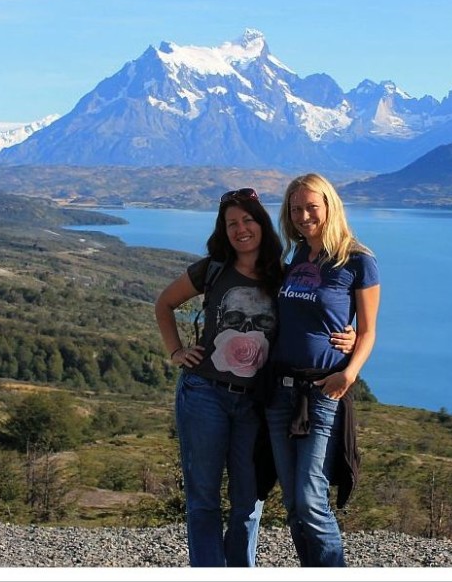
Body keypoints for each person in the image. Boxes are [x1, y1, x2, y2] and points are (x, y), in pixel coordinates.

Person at [154, 188, 355, 567]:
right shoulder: (212, 268)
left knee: (249, 501)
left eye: (247, 220)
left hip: (255, 403)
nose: (240, 229)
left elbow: (312, 315)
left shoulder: (284, 274)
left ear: (262, 224)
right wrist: (177, 351)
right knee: (204, 500)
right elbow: (164, 303)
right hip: (204, 395)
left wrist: (353, 334)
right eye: (231, 223)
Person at [264, 173, 381, 567]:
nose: (303, 216)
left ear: (330, 206)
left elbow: (367, 332)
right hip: (280, 391)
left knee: (311, 499)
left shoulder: (358, 261)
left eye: (311, 207)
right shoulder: (295, 257)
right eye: (295, 209)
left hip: (323, 391)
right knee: (294, 502)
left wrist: (350, 373)